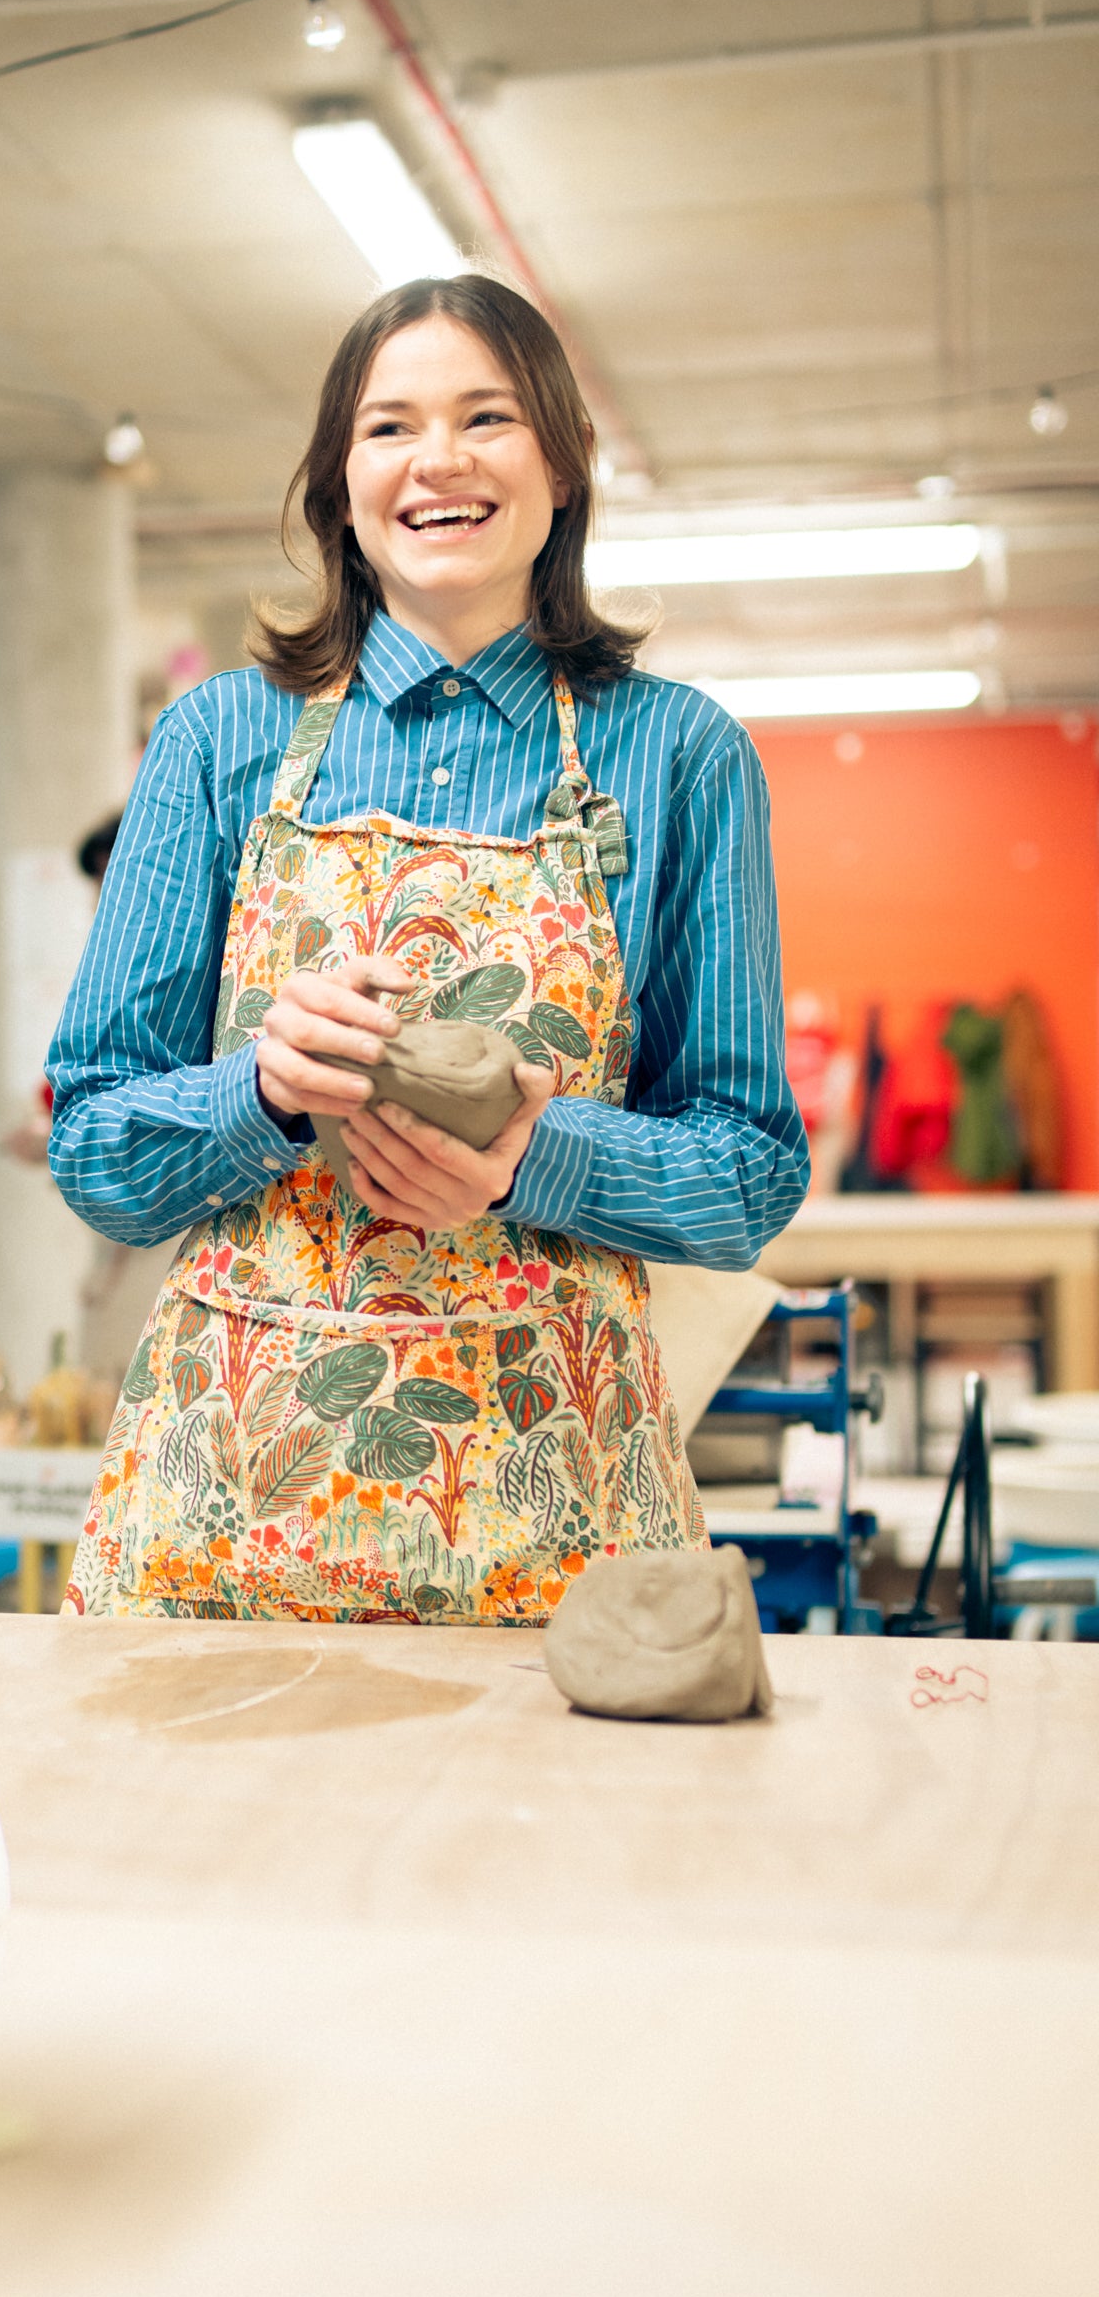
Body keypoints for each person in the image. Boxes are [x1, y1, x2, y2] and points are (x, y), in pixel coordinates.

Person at [46, 273, 808, 1623]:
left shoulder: (678, 754)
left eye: (488, 417)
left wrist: (531, 1159)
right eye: (389, 428)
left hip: (558, 1536)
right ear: (340, 486)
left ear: (562, 465)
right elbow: (96, 1149)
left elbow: (750, 1173)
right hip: (224, 1538)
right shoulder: (217, 744)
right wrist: (266, 1094)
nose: (438, 462)